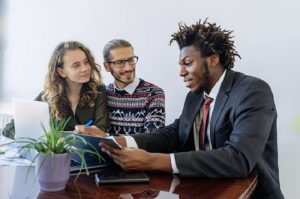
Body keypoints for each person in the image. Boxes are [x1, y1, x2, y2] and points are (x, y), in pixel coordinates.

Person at [78, 20, 283, 198]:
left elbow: (238, 159)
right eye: (180, 65)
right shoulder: (195, 96)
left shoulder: (252, 91)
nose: (181, 72)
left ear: (213, 59)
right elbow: (173, 134)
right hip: (201, 190)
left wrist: (152, 161)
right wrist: (115, 141)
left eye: (187, 63)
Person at [2, 41, 109, 139]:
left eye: (86, 62)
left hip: (88, 156)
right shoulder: (47, 96)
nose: (85, 68)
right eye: (76, 65)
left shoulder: (98, 91)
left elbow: (100, 130)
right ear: (61, 72)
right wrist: (35, 141)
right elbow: (11, 127)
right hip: (56, 156)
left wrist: (84, 132)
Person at [102, 39, 165, 135]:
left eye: (131, 60)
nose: (128, 68)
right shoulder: (103, 93)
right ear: (107, 67)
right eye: (120, 62)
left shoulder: (154, 94)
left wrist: (107, 138)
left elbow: (152, 139)